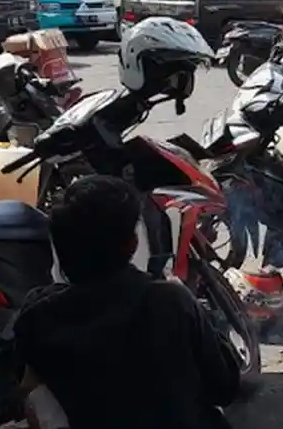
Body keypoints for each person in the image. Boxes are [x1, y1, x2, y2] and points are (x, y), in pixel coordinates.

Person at [13, 175, 242, 429]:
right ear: (132, 244)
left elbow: (28, 393)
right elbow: (225, 388)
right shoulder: (170, 300)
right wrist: (202, 316)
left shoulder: (37, 316)